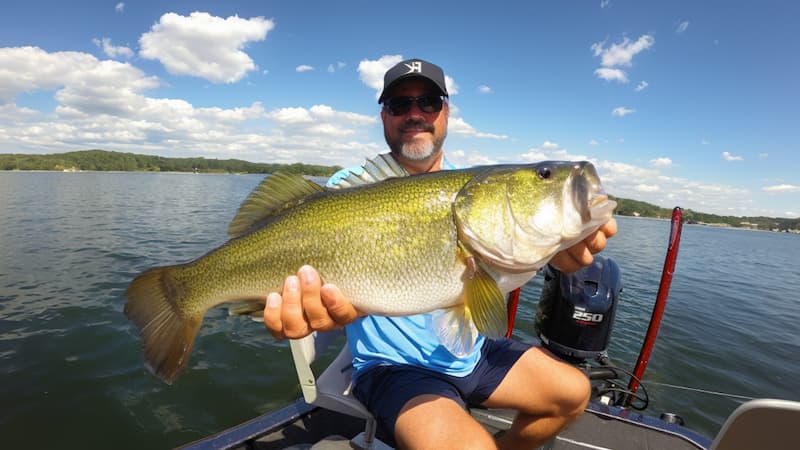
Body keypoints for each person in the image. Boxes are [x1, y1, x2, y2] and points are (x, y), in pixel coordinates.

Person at [263, 58, 617, 450]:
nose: (415, 114)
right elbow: (335, 299)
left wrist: (559, 253)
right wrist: (323, 315)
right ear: (383, 116)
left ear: (446, 112)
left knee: (572, 393)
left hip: (473, 354)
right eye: (400, 105)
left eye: (429, 102)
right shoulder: (345, 191)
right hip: (396, 369)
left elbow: (499, 259)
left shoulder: (472, 184)